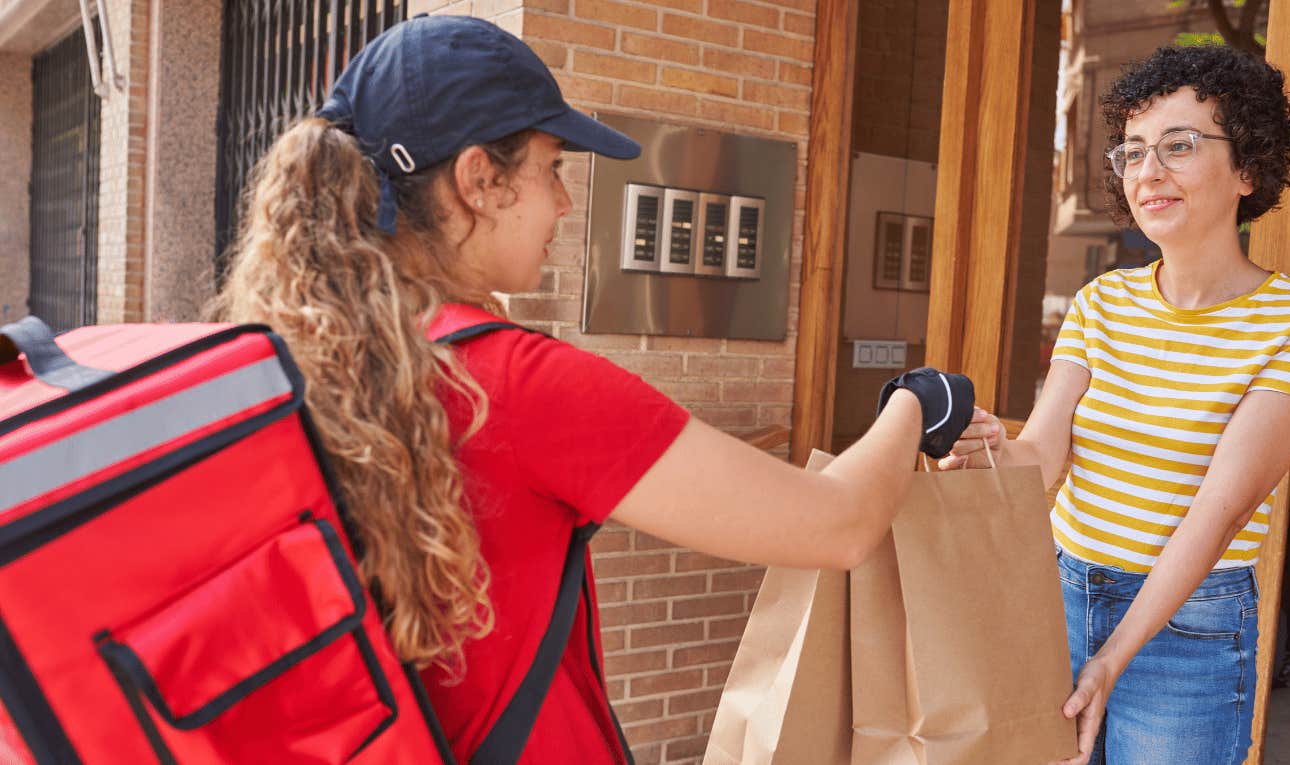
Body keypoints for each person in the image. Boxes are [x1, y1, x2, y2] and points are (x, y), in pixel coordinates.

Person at [210, 15, 976, 764]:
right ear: (479, 179)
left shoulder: (314, 352)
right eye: (552, 169)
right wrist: (918, 401)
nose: (566, 204)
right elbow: (835, 524)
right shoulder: (514, 382)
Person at [943, 44, 1290, 765]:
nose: (1147, 171)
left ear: (1248, 166)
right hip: (1062, 592)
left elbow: (1218, 514)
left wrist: (1115, 654)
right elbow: (1043, 454)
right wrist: (990, 448)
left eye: (1179, 145)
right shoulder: (1102, 302)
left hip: (1190, 627)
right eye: (1132, 151)